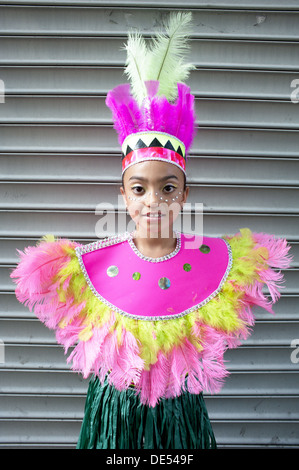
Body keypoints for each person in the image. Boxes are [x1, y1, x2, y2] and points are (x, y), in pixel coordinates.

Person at [10, 12, 292, 450]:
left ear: (183, 195)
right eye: (139, 188)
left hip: (182, 418)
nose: (152, 201)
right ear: (123, 194)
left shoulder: (221, 262)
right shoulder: (89, 267)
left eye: (167, 187)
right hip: (112, 418)